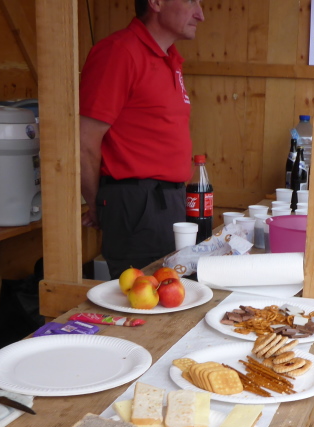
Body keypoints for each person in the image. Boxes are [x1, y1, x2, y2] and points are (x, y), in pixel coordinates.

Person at [80, 0, 204, 278]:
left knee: (172, 291)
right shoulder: (119, 52)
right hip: (137, 201)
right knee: (142, 296)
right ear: (156, 2)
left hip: (168, 200)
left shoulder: (170, 58)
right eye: (190, 1)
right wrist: (97, 203)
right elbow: (84, 141)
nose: (200, 14)